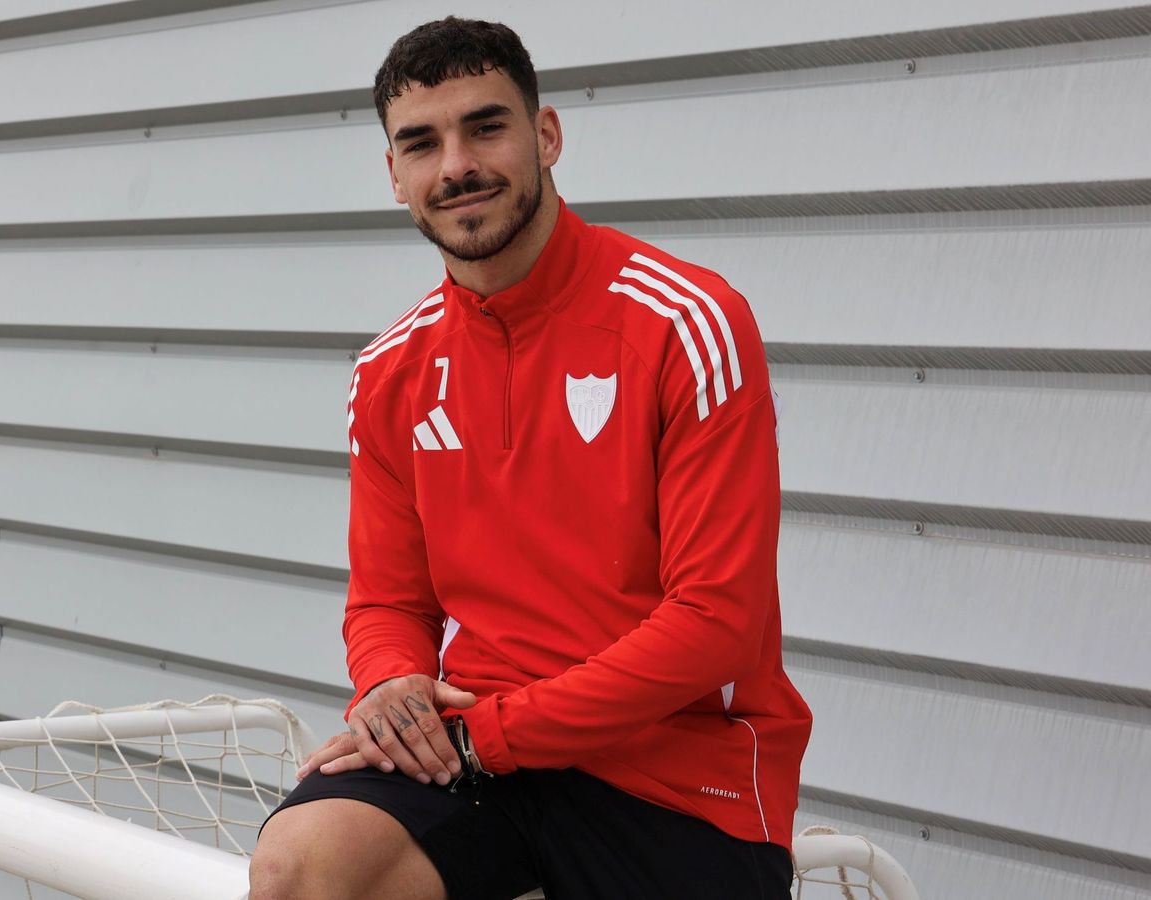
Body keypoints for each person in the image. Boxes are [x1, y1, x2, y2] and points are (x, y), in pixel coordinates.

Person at [250, 16, 812, 900]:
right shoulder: (390, 371)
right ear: (394, 176)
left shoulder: (689, 324)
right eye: (421, 143)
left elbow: (716, 622)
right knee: (302, 866)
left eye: (486, 127)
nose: (456, 166)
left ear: (546, 135)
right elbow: (390, 599)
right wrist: (394, 685)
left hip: (675, 775)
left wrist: (485, 736)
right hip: (481, 756)